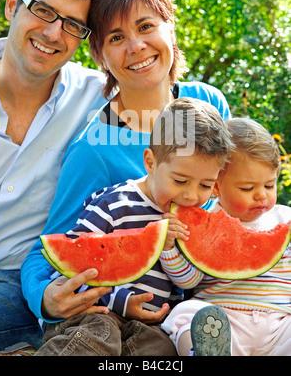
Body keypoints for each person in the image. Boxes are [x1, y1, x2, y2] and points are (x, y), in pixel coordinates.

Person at [21, 0, 231, 338]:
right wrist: (45, 299)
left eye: (146, 26)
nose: (136, 46)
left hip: (214, 292)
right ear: (99, 54)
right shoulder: (94, 149)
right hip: (141, 314)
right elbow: (52, 247)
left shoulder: (209, 103)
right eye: (116, 38)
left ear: (171, 28)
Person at [34, 97, 233, 355]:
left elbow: (187, 283)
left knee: (162, 349)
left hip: (150, 326)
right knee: (99, 336)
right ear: (150, 162)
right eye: (180, 180)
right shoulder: (114, 204)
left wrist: (170, 248)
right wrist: (121, 302)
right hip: (95, 313)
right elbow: (70, 269)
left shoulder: (192, 220)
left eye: (205, 185)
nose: (192, 196)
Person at [0, 0, 109, 353]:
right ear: (12, 4)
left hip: (24, 286)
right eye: (43, 11)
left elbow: (165, 94)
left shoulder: (99, 97)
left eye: (73, 25)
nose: (54, 33)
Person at [161, 118, 291, 356]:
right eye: (247, 188)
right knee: (185, 314)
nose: (261, 196)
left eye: (270, 185)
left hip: (280, 324)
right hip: (220, 321)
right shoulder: (205, 221)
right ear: (217, 186)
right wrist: (168, 247)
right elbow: (188, 281)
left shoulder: (286, 219)